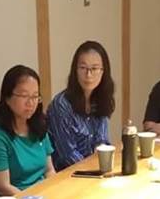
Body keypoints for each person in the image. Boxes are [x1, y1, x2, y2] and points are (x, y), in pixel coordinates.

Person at [0, 65, 56, 195]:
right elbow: (3, 187)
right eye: (24, 96)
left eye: (35, 96)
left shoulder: (39, 127)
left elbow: (49, 171)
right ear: (7, 98)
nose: (30, 103)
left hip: (45, 194)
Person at [47, 40, 115, 170]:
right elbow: (68, 155)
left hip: (94, 170)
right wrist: (93, 170)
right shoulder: (61, 104)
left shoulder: (101, 99)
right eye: (83, 68)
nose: (88, 75)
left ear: (103, 71)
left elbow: (102, 141)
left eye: (94, 68)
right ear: (75, 70)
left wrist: (102, 162)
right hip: (68, 173)